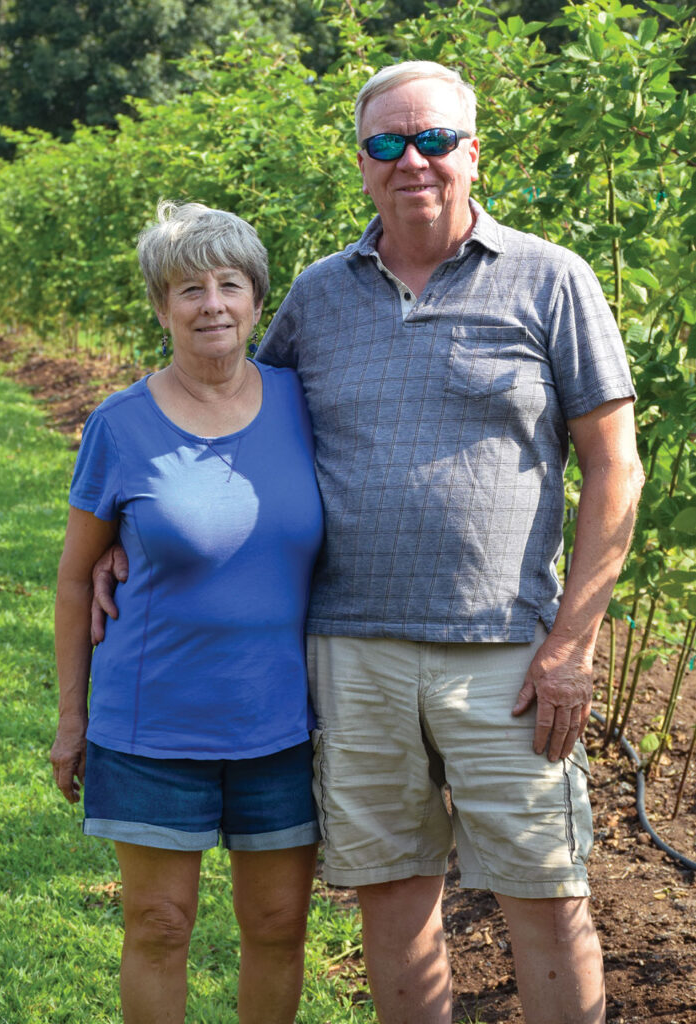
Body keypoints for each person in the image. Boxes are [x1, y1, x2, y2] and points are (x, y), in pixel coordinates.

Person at [93, 63, 645, 1024]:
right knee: (392, 900)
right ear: (361, 163)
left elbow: (615, 469)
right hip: (349, 652)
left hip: (509, 654)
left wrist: (571, 646)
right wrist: (130, 525)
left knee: (547, 897)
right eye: (387, 144)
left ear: (474, 152)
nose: (412, 162)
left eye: (433, 140)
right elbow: (231, 416)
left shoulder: (553, 278)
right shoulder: (317, 295)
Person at [50, 200, 324, 1024]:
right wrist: (71, 719)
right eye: (188, 289)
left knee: (277, 926)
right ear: (161, 307)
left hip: (279, 720)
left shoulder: (301, 405)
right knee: (159, 925)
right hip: (152, 721)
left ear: (255, 298)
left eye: (229, 285)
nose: (211, 305)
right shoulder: (121, 425)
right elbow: (72, 579)